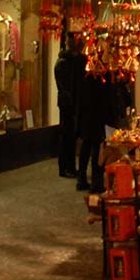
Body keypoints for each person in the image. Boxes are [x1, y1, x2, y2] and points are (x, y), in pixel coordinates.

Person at [53, 32, 86, 178]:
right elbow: (65, 86)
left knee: (71, 136)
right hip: (68, 104)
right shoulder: (64, 63)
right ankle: (66, 167)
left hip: (72, 102)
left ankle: (70, 167)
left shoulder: (73, 61)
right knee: (67, 135)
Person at [76, 66, 111, 192]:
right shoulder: (102, 74)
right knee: (97, 146)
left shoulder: (85, 73)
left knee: (87, 145)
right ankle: (96, 182)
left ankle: (82, 178)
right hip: (97, 113)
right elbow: (105, 96)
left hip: (86, 113)